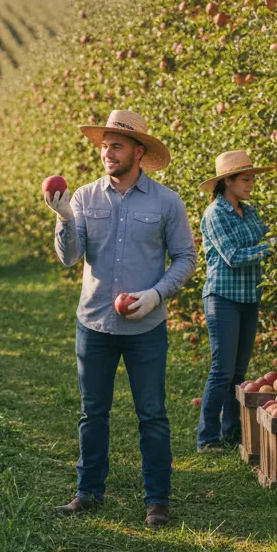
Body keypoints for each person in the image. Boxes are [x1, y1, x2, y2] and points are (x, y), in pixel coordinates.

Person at [44, 110, 197, 528]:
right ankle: (87, 492)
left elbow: (186, 257)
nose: (107, 153)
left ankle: (157, 501)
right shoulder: (84, 198)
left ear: (138, 151)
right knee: (93, 412)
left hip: (145, 326)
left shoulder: (166, 201)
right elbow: (71, 258)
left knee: (152, 413)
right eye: (104, 145)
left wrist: (155, 295)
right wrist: (64, 220)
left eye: (116, 145)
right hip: (94, 322)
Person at [196, 150, 277, 453]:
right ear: (227, 181)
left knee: (239, 372)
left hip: (249, 297)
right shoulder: (215, 214)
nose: (251, 184)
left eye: (252, 178)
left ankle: (231, 432)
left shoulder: (248, 211)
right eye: (245, 179)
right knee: (222, 370)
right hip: (223, 297)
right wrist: (272, 245)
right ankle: (207, 438)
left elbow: (265, 238)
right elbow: (233, 257)